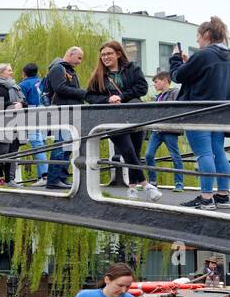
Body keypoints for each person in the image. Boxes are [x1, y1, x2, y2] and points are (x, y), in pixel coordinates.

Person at [170, 16, 230, 210]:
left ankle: (206, 199)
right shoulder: (227, 56)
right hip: (219, 112)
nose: (197, 41)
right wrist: (189, 63)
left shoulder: (204, 55)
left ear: (206, 34)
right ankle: (222, 195)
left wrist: (175, 60)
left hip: (197, 111)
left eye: (198, 36)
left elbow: (178, 76)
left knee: (204, 154)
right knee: (218, 152)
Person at [85, 41, 152, 199]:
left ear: (118, 54)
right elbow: (89, 96)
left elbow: (142, 88)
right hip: (112, 119)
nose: (106, 57)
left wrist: (122, 97)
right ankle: (146, 184)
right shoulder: (99, 75)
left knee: (135, 151)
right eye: (103, 55)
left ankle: (132, 187)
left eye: (109, 54)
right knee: (127, 150)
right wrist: (108, 100)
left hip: (133, 116)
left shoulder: (132, 69)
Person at [43, 47, 89, 190]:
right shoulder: (58, 69)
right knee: (61, 145)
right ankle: (54, 179)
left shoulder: (68, 70)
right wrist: (83, 93)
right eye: (79, 58)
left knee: (67, 146)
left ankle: (61, 178)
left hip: (69, 112)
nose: (80, 62)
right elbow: (60, 89)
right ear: (70, 54)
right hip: (62, 112)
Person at [0, 63, 27, 184]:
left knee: (13, 151)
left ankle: (10, 180)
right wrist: (11, 104)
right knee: (2, 150)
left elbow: (24, 101)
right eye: (9, 70)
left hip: (17, 121)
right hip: (1, 122)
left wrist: (21, 104)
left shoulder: (15, 86)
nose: (11, 72)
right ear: (0, 72)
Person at [145, 70, 185, 193]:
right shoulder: (158, 97)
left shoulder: (175, 92)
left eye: (156, 82)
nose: (154, 85)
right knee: (148, 155)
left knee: (175, 156)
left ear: (165, 81)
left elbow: (177, 109)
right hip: (156, 130)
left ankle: (179, 183)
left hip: (169, 130)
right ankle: (153, 182)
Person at [18, 62, 50, 184]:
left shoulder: (23, 85)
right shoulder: (43, 82)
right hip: (46, 113)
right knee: (42, 143)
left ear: (24, 73)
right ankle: (41, 177)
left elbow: (22, 101)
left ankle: (44, 176)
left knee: (36, 143)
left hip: (32, 114)